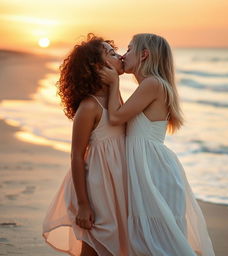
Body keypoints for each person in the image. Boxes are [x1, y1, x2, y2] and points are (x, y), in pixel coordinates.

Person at [100, 33, 215, 256]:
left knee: (157, 242)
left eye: (130, 49)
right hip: (150, 166)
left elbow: (115, 117)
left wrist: (114, 81)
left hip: (152, 169)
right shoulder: (150, 86)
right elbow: (122, 115)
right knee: (153, 240)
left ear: (144, 55)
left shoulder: (152, 84)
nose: (124, 55)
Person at [42, 34, 128, 256]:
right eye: (112, 54)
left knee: (115, 245)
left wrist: (115, 85)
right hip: (96, 187)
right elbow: (76, 157)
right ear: (96, 66)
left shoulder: (115, 99)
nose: (120, 56)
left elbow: (122, 125)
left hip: (116, 184)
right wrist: (83, 204)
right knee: (95, 243)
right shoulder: (90, 106)